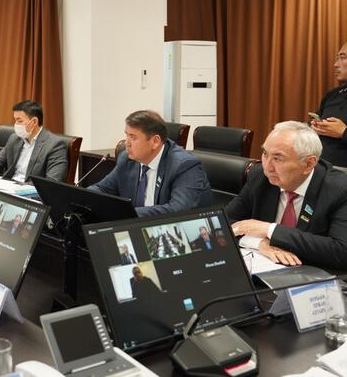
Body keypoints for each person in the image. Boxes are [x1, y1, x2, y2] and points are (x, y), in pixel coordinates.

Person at [227, 121, 347, 269]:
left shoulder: (340, 189)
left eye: (278, 158)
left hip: (315, 273)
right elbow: (224, 223)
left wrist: (270, 230)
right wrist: (259, 243)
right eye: (265, 154)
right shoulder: (260, 177)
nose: (267, 167)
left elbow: (342, 251)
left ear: (309, 164)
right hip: (266, 268)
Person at [89, 110, 213, 216]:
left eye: (133, 137)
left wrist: (126, 214)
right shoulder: (127, 159)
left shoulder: (184, 166)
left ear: (155, 141)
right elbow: (102, 189)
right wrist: (84, 199)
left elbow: (178, 210)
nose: (127, 143)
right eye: (127, 135)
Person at [311, 42, 347, 167]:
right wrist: (313, 126)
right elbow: (314, 121)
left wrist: (343, 132)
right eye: (337, 58)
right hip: (318, 167)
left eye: (343, 57)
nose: (335, 64)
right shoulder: (332, 95)